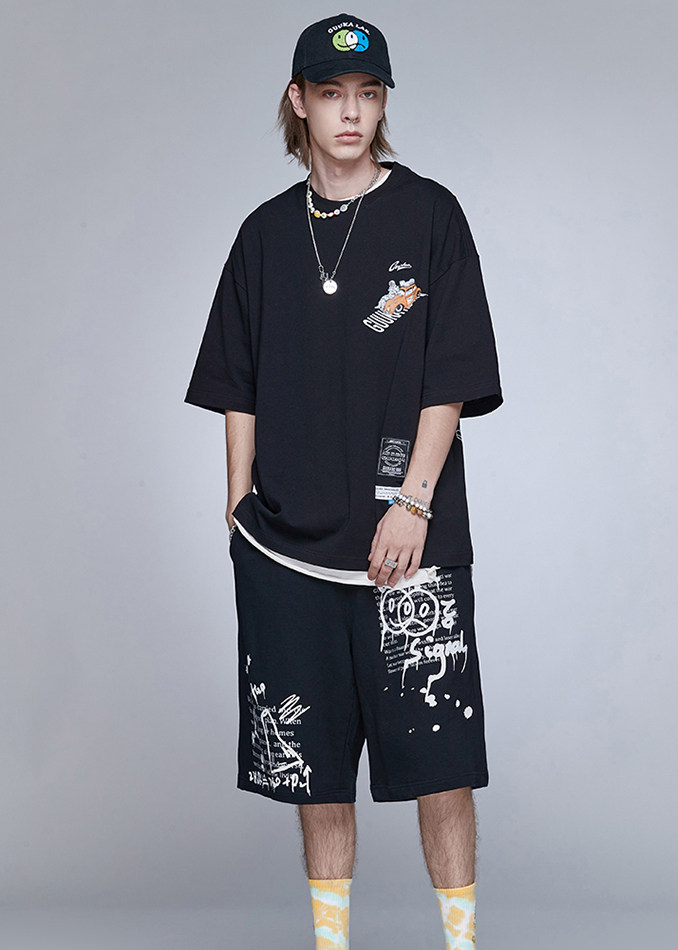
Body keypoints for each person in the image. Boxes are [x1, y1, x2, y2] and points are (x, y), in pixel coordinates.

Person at [185, 13, 502, 949]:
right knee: (315, 776)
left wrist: (413, 502)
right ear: (300, 102)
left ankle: (461, 944)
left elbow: (449, 376)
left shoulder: (431, 215)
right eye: (332, 94)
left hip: (411, 545)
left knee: (442, 767)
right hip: (285, 552)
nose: (351, 113)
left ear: (383, 103)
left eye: (367, 95)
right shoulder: (263, 235)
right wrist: (237, 505)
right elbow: (235, 381)